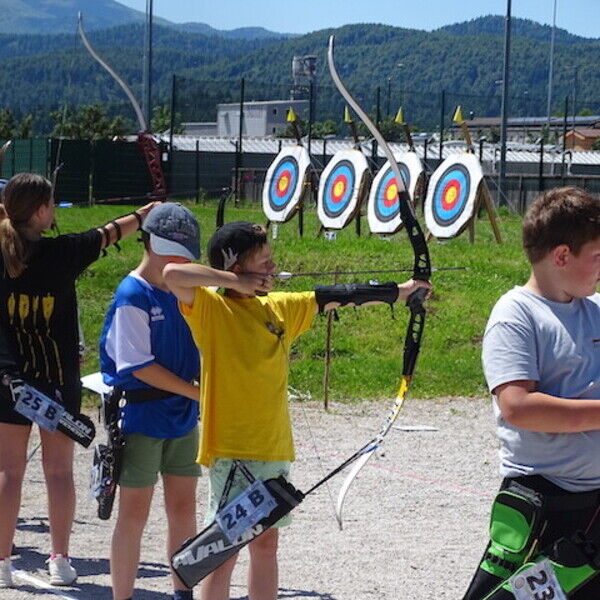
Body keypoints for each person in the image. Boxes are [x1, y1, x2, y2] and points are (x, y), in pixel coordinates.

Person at [163, 221, 431, 600]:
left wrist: (403, 292)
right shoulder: (211, 309)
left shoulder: (280, 308)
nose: (273, 268)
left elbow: (340, 296)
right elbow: (172, 274)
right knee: (223, 551)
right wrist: (234, 283)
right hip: (232, 450)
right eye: (264, 263)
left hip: (273, 449)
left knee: (266, 543)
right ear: (236, 268)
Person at [0, 172, 156, 588]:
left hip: (8, 381)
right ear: (41, 212)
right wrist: (145, 215)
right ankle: (59, 560)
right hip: (55, 381)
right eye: (50, 203)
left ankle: (2, 563)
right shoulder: (63, 253)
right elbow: (108, 233)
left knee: (8, 472)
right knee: (58, 472)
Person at [462, 187, 600, 600]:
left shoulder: (594, 310)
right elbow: (518, 407)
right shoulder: (516, 314)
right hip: (544, 506)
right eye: (597, 256)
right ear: (561, 256)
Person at [99, 202, 201, 600]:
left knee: (184, 509)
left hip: (182, 415)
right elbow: (139, 366)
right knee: (133, 514)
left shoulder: (185, 290)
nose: (181, 262)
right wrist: (199, 393)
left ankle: (182, 592)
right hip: (142, 416)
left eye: (186, 255)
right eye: (174, 253)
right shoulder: (133, 293)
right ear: (151, 245)